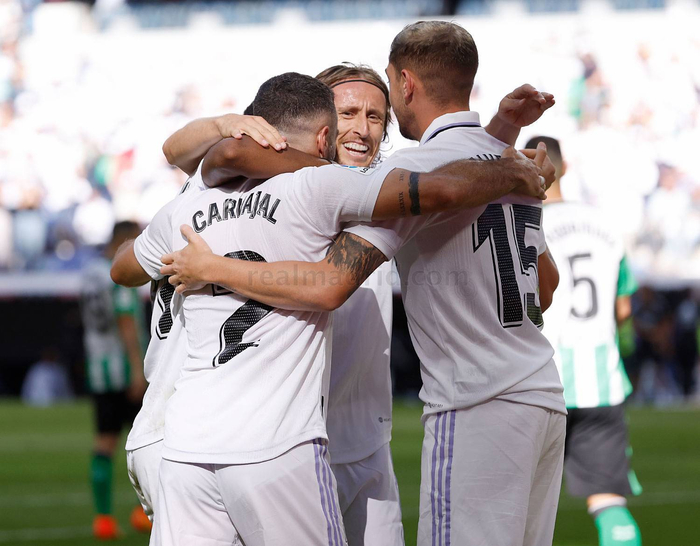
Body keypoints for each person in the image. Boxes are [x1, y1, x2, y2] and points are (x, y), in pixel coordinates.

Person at [162, 21, 564, 546]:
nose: (363, 127)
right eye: (347, 113)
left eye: (375, 114)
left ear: (404, 85)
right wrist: (500, 141)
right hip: (292, 441)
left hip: (417, 423)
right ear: (319, 126)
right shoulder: (500, 166)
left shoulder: (397, 181)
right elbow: (543, 286)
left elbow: (331, 281)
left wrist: (213, 268)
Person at [529, 136, 642, 546]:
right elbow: (623, 307)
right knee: (610, 504)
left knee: (516, 508)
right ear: (565, 168)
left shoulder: (527, 224)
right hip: (602, 384)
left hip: (539, 382)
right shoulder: (606, 225)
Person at [79, 220, 151, 540]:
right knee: (147, 439)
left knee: (104, 441)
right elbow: (126, 322)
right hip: (123, 367)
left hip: (98, 367)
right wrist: (137, 369)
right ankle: (143, 513)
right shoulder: (119, 273)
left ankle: (103, 519)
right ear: (124, 239)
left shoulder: (89, 274)